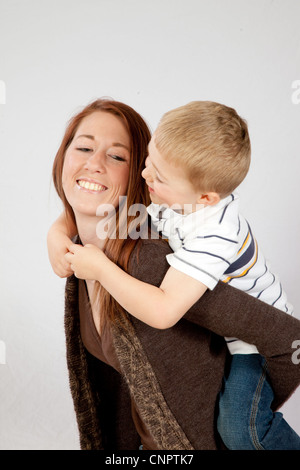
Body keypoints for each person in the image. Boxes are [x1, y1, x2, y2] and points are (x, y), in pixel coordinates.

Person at [48, 98, 300, 450]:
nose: (146, 175)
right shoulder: (167, 204)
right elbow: (91, 209)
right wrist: (56, 234)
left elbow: (285, 337)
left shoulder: (200, 241)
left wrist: (101, 270)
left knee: (242, 429)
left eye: (119, 157)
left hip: (252, 348)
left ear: (205, 196)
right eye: (84, 147)